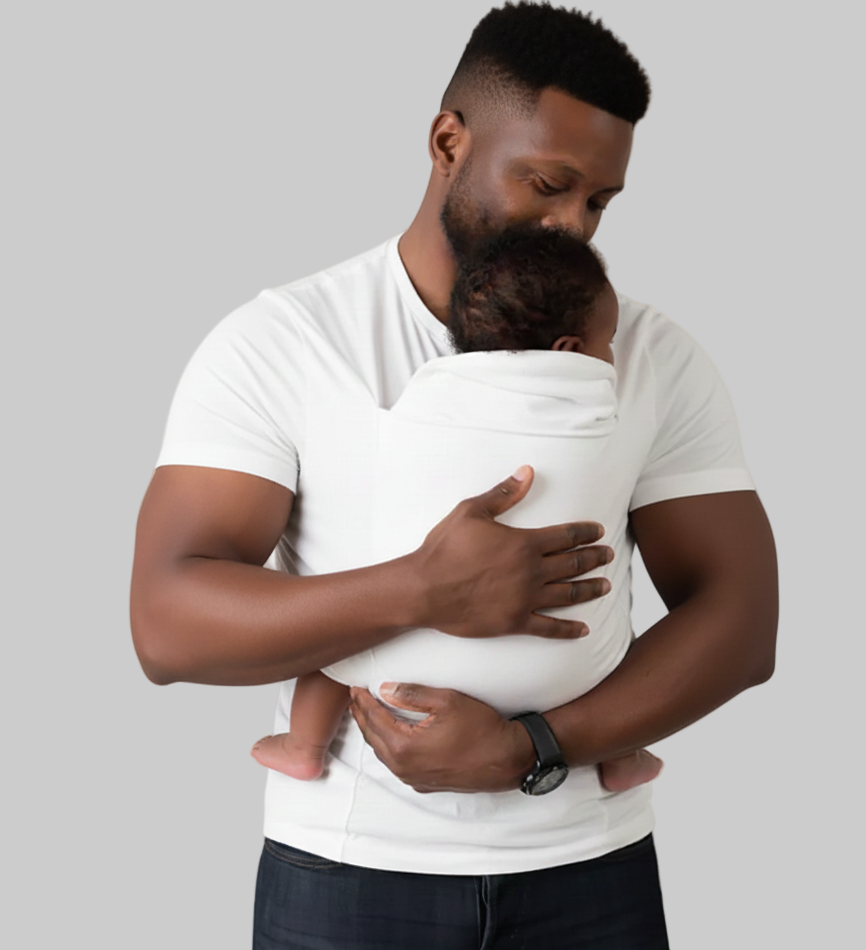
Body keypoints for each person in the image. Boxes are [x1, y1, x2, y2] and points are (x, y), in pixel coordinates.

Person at [130, 4, 777, 946]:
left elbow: (742, 620)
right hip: (346, 877)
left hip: (590, 870)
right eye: (548, 185)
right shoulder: (286, 342)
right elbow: (166, 627)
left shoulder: (648, 354)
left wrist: (532, 748)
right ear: (447, 143)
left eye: (599, 202)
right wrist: (424, 589)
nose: (573, 226)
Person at [250, 225, 663, 794]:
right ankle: (620, 755)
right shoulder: (602, 415)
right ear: (570, 351)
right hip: (569, 675)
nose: (614, 356)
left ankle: (304, 746)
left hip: (396, 675)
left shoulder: (419, 400)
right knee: (613, 616)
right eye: (609, 340)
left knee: (335, 629)